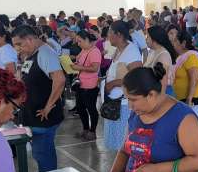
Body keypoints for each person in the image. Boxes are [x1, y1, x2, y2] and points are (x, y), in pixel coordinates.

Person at [11, 26, 66, 172]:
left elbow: (59, 80)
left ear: (30, 39)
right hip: (31, 115)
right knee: (40, 153)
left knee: (43, 155)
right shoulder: (32, 53)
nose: (17, 48)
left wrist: (48, 106)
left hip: (43, 117)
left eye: (19, 44)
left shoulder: (46, 53)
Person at [104, 21, 143, 151]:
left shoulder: (131, 51)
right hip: (114, 102)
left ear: (119, 35)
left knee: (124, 144)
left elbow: (137, 76)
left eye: (110, 32)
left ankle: (125, 169)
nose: (108, 35)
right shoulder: (118, 50)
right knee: (117, 144)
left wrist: (113, 83)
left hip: (125, 104)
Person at [71, 31, 102, 140]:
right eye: (77, 41)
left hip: (90, 85)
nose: (78, 43)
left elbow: (94, 68)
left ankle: (92, 131)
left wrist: (79, 68)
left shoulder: (95, 52)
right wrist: (75, 64)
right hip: (81, 83)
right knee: (80, 108)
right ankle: (85, 129)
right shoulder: (84, 50)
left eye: (80, 41)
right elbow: (79, 62)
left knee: (91, 108)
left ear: (87, 40)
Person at [170, 31, 198, 107]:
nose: (173, 43)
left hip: (193, 100)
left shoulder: (191, 57)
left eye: (176, 40)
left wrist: (189, 99)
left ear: (183, 43)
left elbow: (194, 79)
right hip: (182, 99)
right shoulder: (181, 56)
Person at [145, 25, 176, 94]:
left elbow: (163, 83)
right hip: (154, 90)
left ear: (154, 39)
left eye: (147, 37)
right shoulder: (152, 51)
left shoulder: (163, 56)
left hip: (163, 92)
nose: (146, 39)